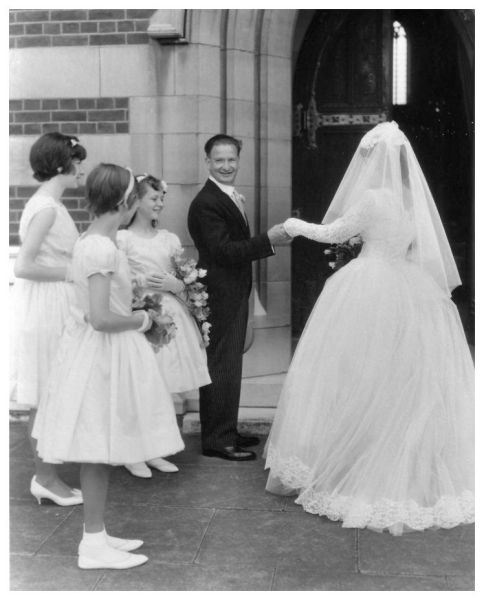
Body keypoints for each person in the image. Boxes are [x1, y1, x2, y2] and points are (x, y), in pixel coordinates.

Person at [264, 121, 474, 535]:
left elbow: (333, 233)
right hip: (406, 286)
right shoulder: (412, 201)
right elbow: (417, 250)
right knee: (395, 380)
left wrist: (291, 225)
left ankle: (351, 462)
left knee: (354, 374)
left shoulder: (372, 199)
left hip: (367, 286)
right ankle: (389, 457)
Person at [32, 164, 184, 569]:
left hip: (96, 351)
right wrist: (145, 320)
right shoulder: (99, 247)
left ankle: (96, 535)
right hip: (101, 354)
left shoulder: (96, 240)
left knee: (98, 450)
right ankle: (92, 545)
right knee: (96, 448)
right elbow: (100, 318)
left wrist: (134, 311)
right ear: (124, 201)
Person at [188, 134, 290, 461]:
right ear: (207, 162)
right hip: (220, 295)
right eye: (219, 160)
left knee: (230, 365)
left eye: (232, 160)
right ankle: (218, 441)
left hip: (232, 291)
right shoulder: (206, 202)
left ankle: (226, 431)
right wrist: (267, 240)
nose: (227, 166)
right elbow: (223, 251)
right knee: (222, 365)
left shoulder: (226, 196)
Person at [117, 173, 211, 478]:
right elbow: (116, 282)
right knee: (141, 384)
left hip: (170, 317)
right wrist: (139, 284)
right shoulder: (124, 239)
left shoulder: (169, 238)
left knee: (164, 387)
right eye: (153, 198)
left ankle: (156, 449)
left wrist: (177, 283)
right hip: (142, 315)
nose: (160, 204)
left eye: (162, 198)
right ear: (136, 201)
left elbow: (185, 280)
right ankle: (133, 451)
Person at [11, 132, 86, 506]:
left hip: (53, 305)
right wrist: (71, 273)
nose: (80, 169)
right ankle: (43, 477)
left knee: (51, 393)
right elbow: (23, 266)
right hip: (45, 308)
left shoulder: (50, 204)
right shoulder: (46, 208)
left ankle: (49, 475)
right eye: (77, 161)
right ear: (61, 165)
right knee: (44, 393)